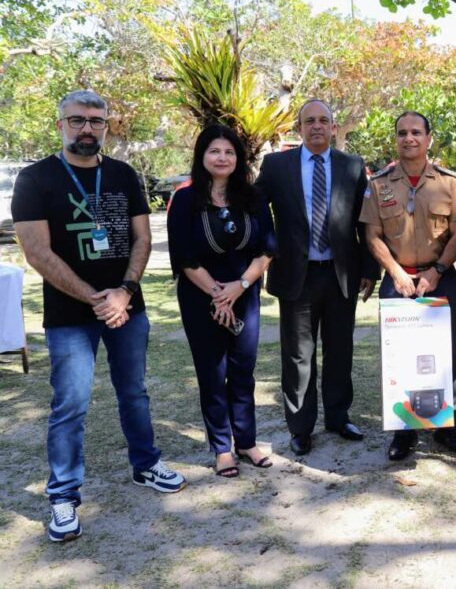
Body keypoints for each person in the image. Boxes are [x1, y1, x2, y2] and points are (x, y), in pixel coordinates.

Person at [12, 90, 185, 543]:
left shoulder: (124, 175)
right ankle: (64, 496)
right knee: (70, 404)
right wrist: (97, 298)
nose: (87, 128)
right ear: (60, 124)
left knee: (135, 391)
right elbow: (36, 251)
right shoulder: (35, 179)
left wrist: (125, 292)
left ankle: (146, 465)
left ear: (107, 126)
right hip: (71, 313)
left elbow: (142, 238)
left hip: (128, 306)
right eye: (77, 120)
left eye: (96, 121)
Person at [255, 99, 377, 456]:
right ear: (299, 129)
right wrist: (267, 246)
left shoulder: (352, 166)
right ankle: (300, 427)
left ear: (334, 127)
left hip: (342, 275)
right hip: (298, 276)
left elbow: (365, 222)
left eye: (324, 120)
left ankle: (338, 418)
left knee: (340, 350)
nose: (317, 126)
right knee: (298, 356)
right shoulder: (276, 166)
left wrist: (371, 269)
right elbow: (256, 207)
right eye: (310, 121)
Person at [168, 124, 277, 477]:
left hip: (244, 295)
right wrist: (218, 293)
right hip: (202, 297)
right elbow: (184, 256)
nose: (222, 157)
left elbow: (268, 249)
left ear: (238, 158)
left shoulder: (253, 197)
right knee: (212, 373)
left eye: (229, 152)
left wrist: (238, 287)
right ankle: (221, 448)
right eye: (215, 151)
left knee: (243, 371)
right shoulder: (185, 199)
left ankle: (246, 442)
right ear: (202, 156)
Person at [361, 111, 456, 460]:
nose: (409, 138)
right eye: (402, 133)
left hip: (440, 279)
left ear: (429, 138)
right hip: (399, 283)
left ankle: (446, 427)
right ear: (396, 139)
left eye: (416, 133)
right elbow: (372, 235)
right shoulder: (379, 184)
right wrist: (394, 271)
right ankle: (404, 432)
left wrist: (437, 271)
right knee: (402, 361)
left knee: (446, 357)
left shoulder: (449, 182)